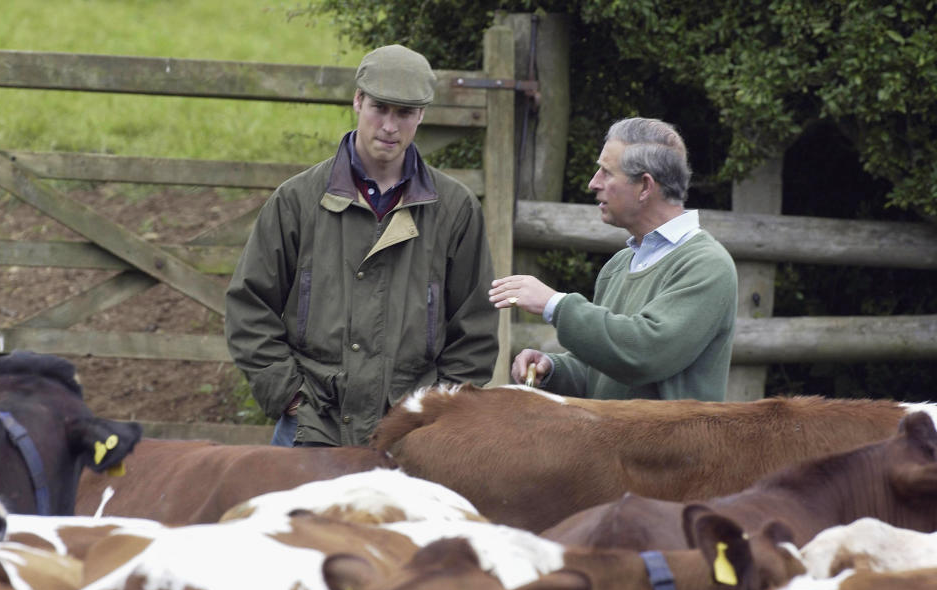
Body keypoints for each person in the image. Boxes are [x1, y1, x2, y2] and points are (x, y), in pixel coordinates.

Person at [225, 44, 500, 447]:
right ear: (357, 101)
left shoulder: (454, 209)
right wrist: (288, 396)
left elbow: (474, 329)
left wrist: (439, 412)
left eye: (404, 113)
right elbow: (249, 307)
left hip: (413, 436)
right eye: (379, 108)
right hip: (311, 427)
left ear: (421, 115)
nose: (390, 126)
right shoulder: (298, 200)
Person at [489, 116, 737, 401]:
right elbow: (602, 372)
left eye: (606, 173)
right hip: (612, 446)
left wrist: (554, 304)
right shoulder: (618, 265)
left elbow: (643, 355)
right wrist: (553, 369)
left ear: (645, 186)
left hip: (670, 448)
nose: (593, 183)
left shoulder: (706, 265)